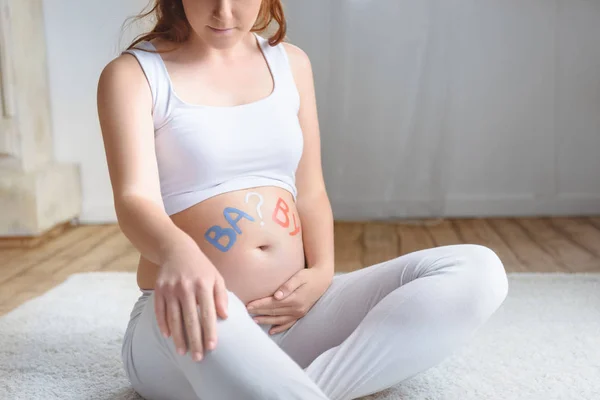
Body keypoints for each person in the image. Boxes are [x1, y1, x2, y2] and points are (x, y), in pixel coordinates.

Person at [96, 1, 509, 399]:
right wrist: (178, 253)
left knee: (478, 271)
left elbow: (310, 190)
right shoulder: (134, 75)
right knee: (217, 315)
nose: (223, 10)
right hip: (186, 319)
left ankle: (285, 387)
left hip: (294, 319)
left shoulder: (290, 64)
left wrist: (323, 272)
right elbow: (134, 199)